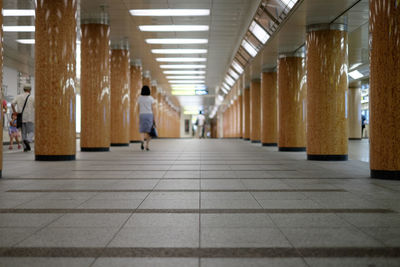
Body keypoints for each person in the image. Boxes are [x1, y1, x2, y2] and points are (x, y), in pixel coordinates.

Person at [12, 86, 34, 152]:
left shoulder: (18, 96)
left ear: (23, 90)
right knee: (32, 131)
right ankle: (28, 140)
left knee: (23, 133)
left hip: (21, 117)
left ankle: (25, 148)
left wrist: (14, 112)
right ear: (30, 90)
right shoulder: (32, 97)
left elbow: (12, 104)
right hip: (29, 117)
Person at [137, 85, 156, 151]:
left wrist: (139, 115)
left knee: (142, 130)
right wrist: (154, 118)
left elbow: (138, 108)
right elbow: (153, 108)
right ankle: (147, 145)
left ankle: (142, 141)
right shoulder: (151, 98)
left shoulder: (140, 98)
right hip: (149, 114)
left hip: (142, 114)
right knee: (149, 131)